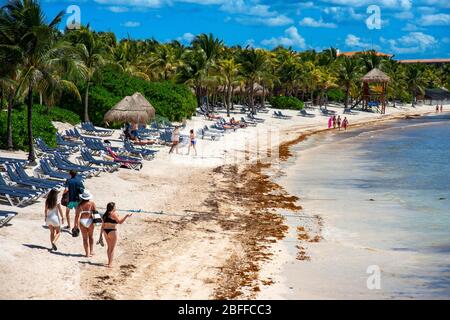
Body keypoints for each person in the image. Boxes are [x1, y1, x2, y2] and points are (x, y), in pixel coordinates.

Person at [98, 202, 132, 268]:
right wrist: (126, 216)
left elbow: (102, 225)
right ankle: (110, 264)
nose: (116, 208)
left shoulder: (105, 215)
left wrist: (100, 235)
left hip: (105, 231)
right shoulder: (113, 214)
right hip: (112, 231)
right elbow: (120, 222)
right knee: (112, 248)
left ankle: (108, 262)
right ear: (113, 208)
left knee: (109, 247)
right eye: (115, 207)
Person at [75, 190, 97, 257]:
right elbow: (95, 213)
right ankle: (91, 251)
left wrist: (76, 225)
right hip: (90, 220)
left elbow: (77, 216)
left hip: (82, 221)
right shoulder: (92, 203)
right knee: (91, 237)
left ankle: (87, 254)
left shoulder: (80, 205)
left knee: (84, 238)